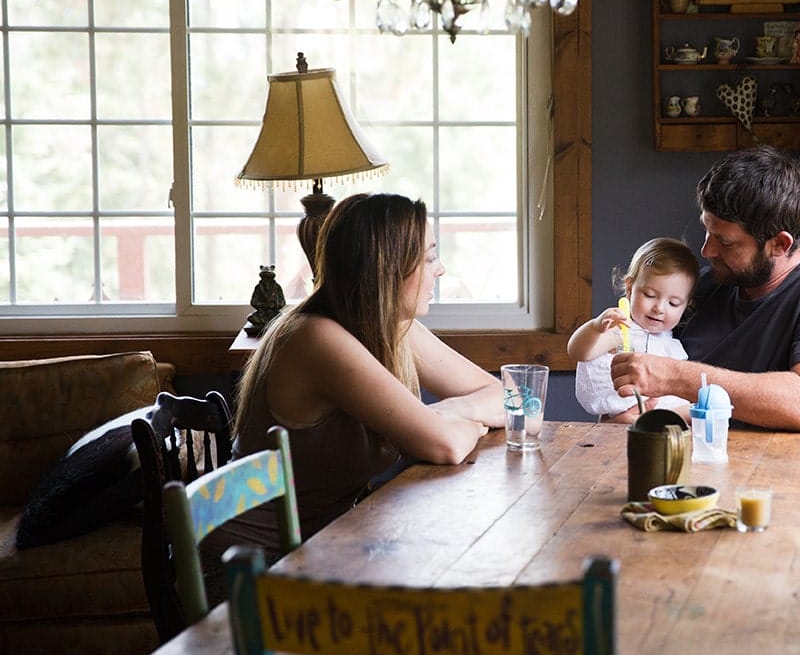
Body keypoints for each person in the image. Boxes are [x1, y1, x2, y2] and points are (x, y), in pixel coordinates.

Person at [200, 193, 505, 590]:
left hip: (322, 548)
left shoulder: (390, 327)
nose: (440, 270)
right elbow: (445, 445)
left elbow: (503, 394)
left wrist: (444, 415)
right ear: (388, 267)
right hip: (250, 570)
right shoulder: (316, 338)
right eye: (429, 258)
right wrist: (445, 422)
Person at [610, 146, 800, 432]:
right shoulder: (708, 287)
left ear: (779, 245)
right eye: (707, 231)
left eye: (726, 242)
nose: (706, 250)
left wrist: (673, 377)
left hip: (787, 474)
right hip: (694, 469)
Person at [567, 237, 699, 423]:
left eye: (673, 303)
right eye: (650, 295)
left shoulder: (668, 339)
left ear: (686, 305)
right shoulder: (623, 329)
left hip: (669, 418)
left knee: (701, 408)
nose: (659, 308)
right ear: (629, 288)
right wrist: (596, 327)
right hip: (629, 417)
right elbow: (578, 351)